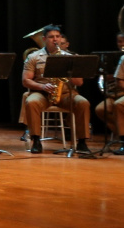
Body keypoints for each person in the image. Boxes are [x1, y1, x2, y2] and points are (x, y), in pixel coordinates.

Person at [21, 25, 91, 154]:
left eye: (58, 37)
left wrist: (70, 70)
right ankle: (36, 140)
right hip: (42, 92)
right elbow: (26, 80)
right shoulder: (34, 56)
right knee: (31, 102)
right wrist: (42, 86)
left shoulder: (70, 57)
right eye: (51, 37)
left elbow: (79, 82)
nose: (55, 40)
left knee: (83, 102)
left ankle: (82, 142)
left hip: (65, 93)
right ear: (44, 39)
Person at [94, 33, 124, 149]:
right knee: (100, 109)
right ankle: (120, 133)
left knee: (118, 106)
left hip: (122, 93)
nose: (121, 44)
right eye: (119, 41)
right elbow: (105, 77)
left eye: (123, 41)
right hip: (114, 94)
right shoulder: (112, 58)